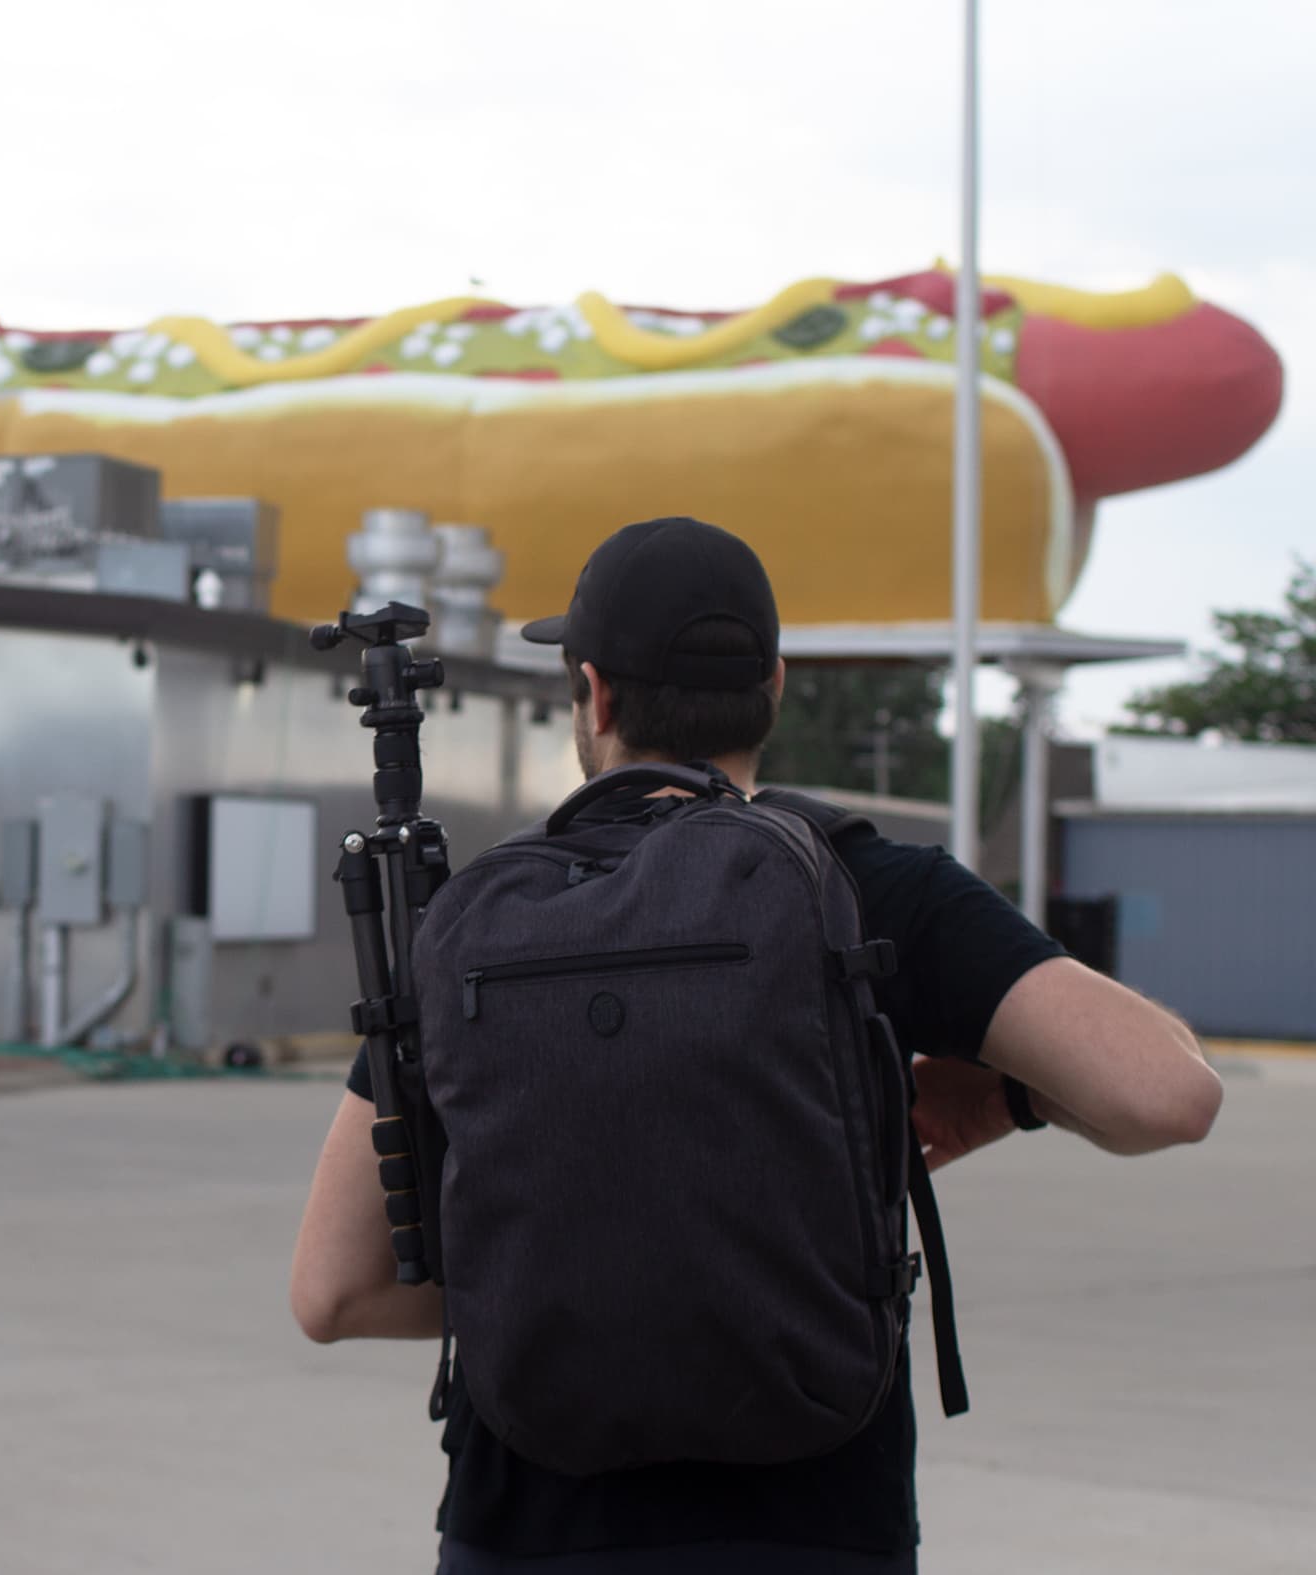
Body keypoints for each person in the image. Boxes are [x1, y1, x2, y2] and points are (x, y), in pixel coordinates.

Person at [288, 517, 1223, 1574]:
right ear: (771, 686)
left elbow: (333, 1290)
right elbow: (1166, 1095)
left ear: (592, 694)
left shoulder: (481, 923)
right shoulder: (872, 888)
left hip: (527, 1535)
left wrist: (576, 1276)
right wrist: (1002, 1098)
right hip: (815, 1527)